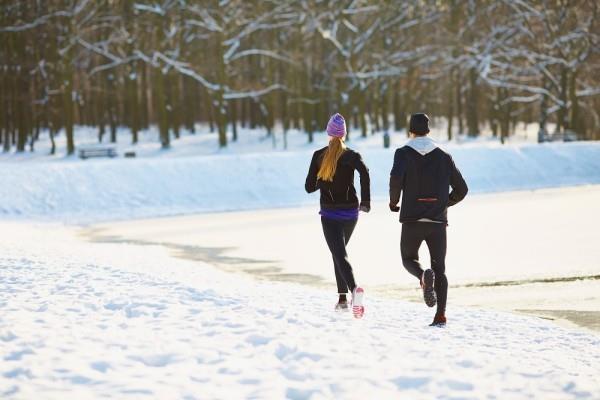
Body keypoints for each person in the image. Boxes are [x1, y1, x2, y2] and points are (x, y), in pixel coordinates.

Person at [389, 113, 468, 326]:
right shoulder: (444, 155)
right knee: (440, 269)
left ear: (410, 132)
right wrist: (444, 203)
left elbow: (396, 179)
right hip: (437, 222)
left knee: (408, 258)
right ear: (429, 131)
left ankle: (423, 276)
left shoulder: (403, 153)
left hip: (412, 219)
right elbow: (462, 189)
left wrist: (394, 202)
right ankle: (440, 315)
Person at [305, 113, 371, 319]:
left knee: (339, 254)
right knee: (339, 252)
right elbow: (365, 173)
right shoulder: (352, 155)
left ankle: (353, 291)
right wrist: (366, 201)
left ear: (328, 133)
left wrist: (321, 181)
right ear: (344, 134)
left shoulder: (318, 155)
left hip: (330, 214)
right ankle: (342, 299)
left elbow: (309, 188)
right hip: (351, 213)